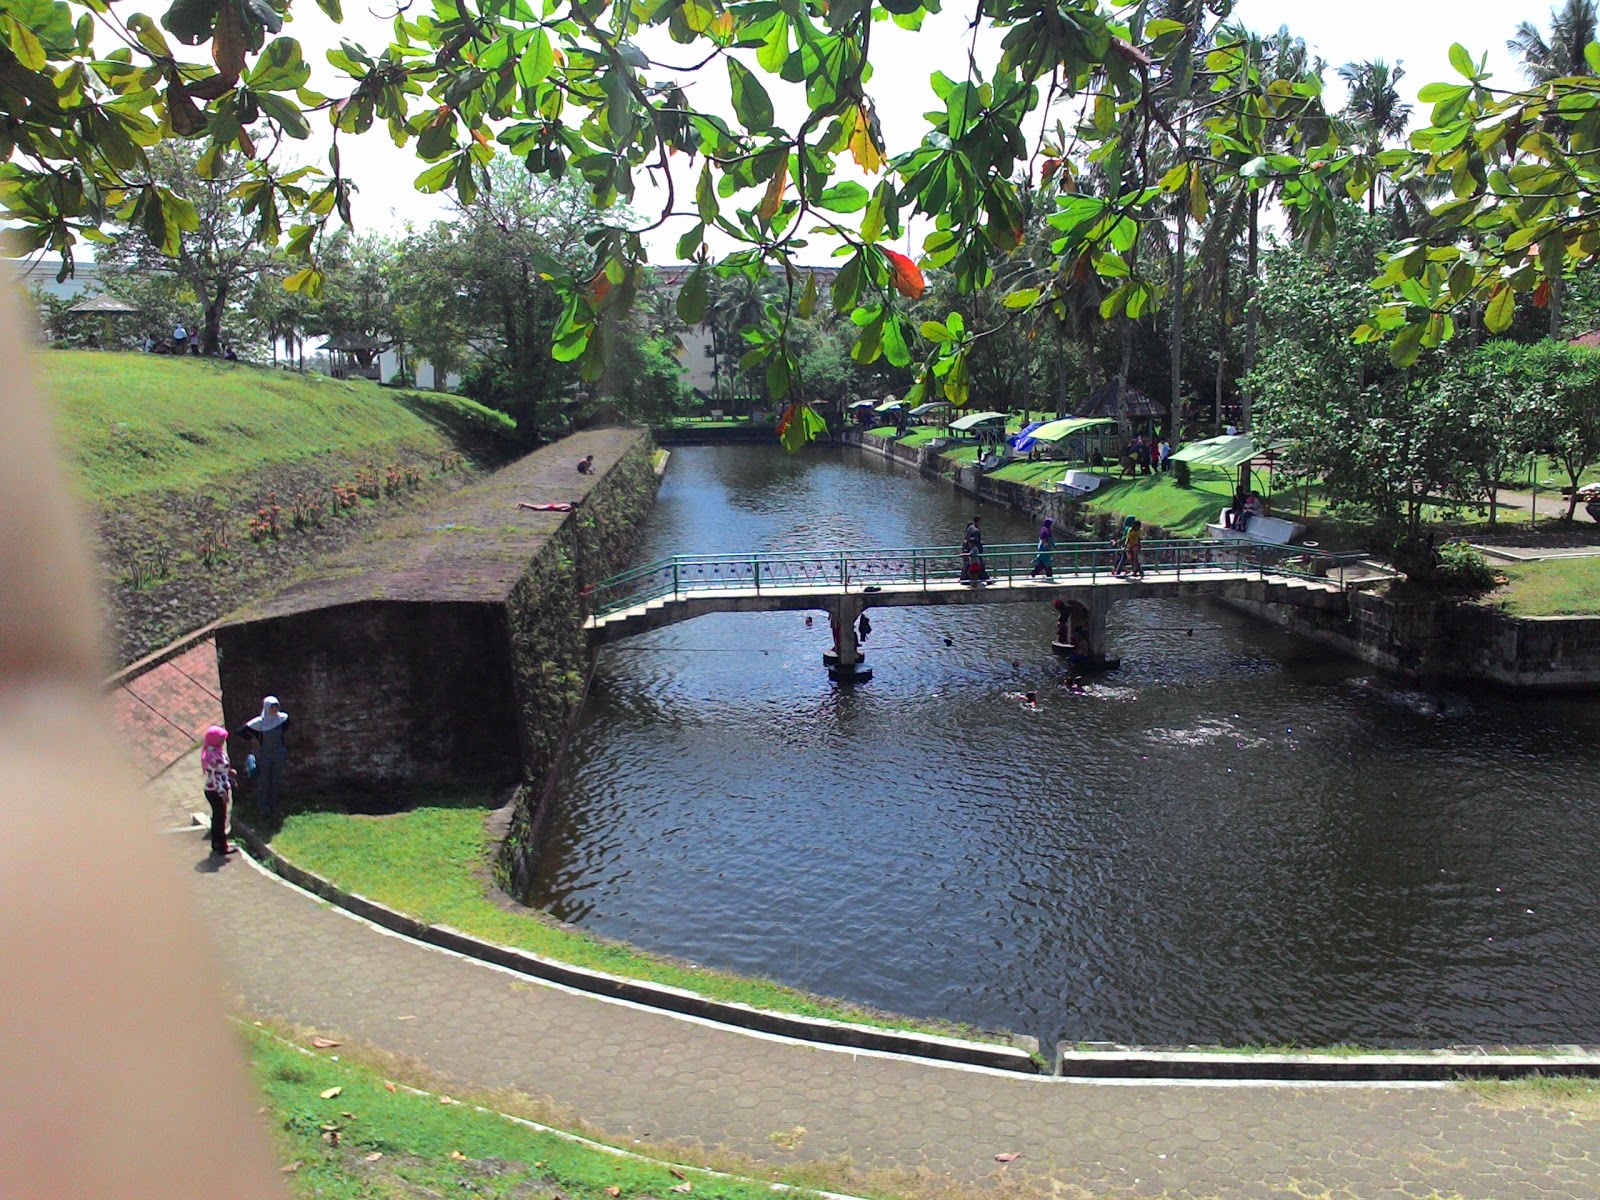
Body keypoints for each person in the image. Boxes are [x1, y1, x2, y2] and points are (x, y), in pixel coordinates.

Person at [235, 696, 290, 817]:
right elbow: (240, 731)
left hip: (278, 754)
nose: (275, 709)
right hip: (263, 756)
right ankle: (263, 809)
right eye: (272, 707)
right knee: (263, 782)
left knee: (276, 781)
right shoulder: (259, 722)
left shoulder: (282, 719)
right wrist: (252, 739)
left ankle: (275, 806)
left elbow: (286, 729)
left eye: (276, 706)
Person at [200, 726, 236, 858]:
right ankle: (221, 846)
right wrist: (223, 793)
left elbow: (222, 770)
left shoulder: (216, 751)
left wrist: (229, 772)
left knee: (218, 817)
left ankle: (217, 844)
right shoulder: (211, 757)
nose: (223, 741)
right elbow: (215, 777)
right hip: (215, 791)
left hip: (216, 789)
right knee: (220, 818)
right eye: (221, 738)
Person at [963, 514, 990, 584]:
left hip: (967, 549)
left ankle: (966, 580)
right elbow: (976, 541)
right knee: (979, 566)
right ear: (979, 521)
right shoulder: (976, 530)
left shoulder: (970, 527)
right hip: (975, 551)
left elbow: (966, 537)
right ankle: (987, 580)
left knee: (969, 566)